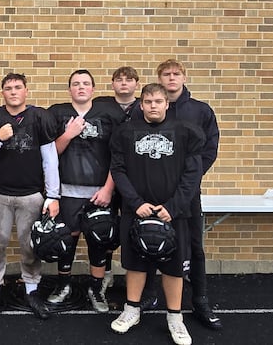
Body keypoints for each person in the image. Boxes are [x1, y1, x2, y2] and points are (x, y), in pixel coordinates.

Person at [109, 83, 205, 345]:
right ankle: (131, 309)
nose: (153, 106)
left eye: (158, 101)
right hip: (137, 210)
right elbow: (118, 170)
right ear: (141, 104)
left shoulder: (185, 132)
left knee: (174, 267)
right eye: (148, 101)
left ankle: (175, 317)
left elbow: (192, 175)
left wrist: (173, 207)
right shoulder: (126, 133)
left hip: (173, 213)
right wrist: (135, 202)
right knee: (135, 262)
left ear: (167, 104)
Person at [138, 59, 222, 329]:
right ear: (159, 79)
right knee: (148, 242)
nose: (171, 78)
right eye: (166, 74)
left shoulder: (200, 111)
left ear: (184, 77)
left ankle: (200, 300)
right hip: (153, 191)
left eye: (176, 74)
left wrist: (190, 181)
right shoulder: (149, 110)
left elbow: (209, 150)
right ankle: (149, 295)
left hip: (186, 194)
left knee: (194, 247)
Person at [0, 72, 60, 319]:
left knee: (30, 246)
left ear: (26, 90)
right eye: (8, 88)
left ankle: (31, 289)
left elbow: (50, 160)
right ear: (2, 92)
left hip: (31, 194)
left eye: (17, 87)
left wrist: (53, 196)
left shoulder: (39, 117)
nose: (13, 91)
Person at [47, 70, 126, 313]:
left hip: (100, 192)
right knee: (67, 240)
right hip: (68, 191)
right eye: (76, 84)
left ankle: (96, 288)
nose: (81, 87)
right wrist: (68, 135)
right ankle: (64, 285)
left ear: (93, 88)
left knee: (99, 241)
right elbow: (49, 155)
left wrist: (109, 189)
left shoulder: (110, 113)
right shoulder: (57, 113)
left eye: (86, 84)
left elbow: (120, 156)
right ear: (69, 88)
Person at [92, 66, 141, 296]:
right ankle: (107, 273)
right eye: (119, 80)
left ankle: (139, 276)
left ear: (136, 84)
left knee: (135, 227)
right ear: (112, 83)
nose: (124, 83)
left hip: (137, 178)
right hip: (108, 174)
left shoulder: (145, 106)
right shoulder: (101, 105)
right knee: (105, 227)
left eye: (129, 80)